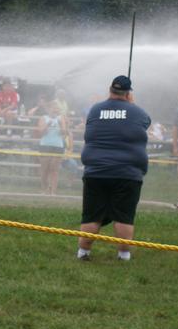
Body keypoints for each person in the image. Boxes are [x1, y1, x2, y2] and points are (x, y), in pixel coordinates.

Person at [76, 75, 151, 262]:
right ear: (128, 93)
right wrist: (131, 105)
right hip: (127, 173)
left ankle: (83, 252)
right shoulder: (137, 112)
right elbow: (146, 122)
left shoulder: (95, 110)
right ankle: (123, 255)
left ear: (110, 89)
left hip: (96, 172)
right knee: (124, 217)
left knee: (91, 215)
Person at [36, 100, 68, 195]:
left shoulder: (61, 118)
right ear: (48, 109)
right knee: (44, 169)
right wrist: (48, 124)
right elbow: (40, 132)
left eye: (57, 108)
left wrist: (61, 126)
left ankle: (53, 191)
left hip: (57, 146)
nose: (55, 110)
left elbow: (64, 133)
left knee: (54, 169)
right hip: (45, 145)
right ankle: (44, 189)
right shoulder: (43, 118)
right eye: (53, 108)